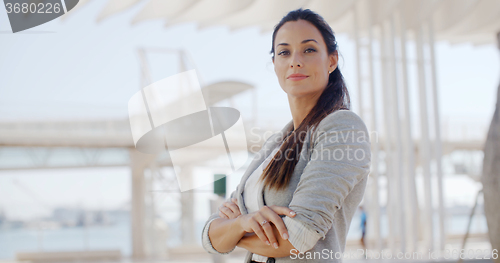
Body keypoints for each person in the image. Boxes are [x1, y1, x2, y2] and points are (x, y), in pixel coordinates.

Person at [201, 8, 371, 263]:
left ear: (332, 61)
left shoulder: (343, 127)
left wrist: (233, 231)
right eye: (284, 52)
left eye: (309, 50)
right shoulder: (276, 143)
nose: (295, 60)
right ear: (275, 64)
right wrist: (240, 224)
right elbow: (208, 237)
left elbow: (298, 237)